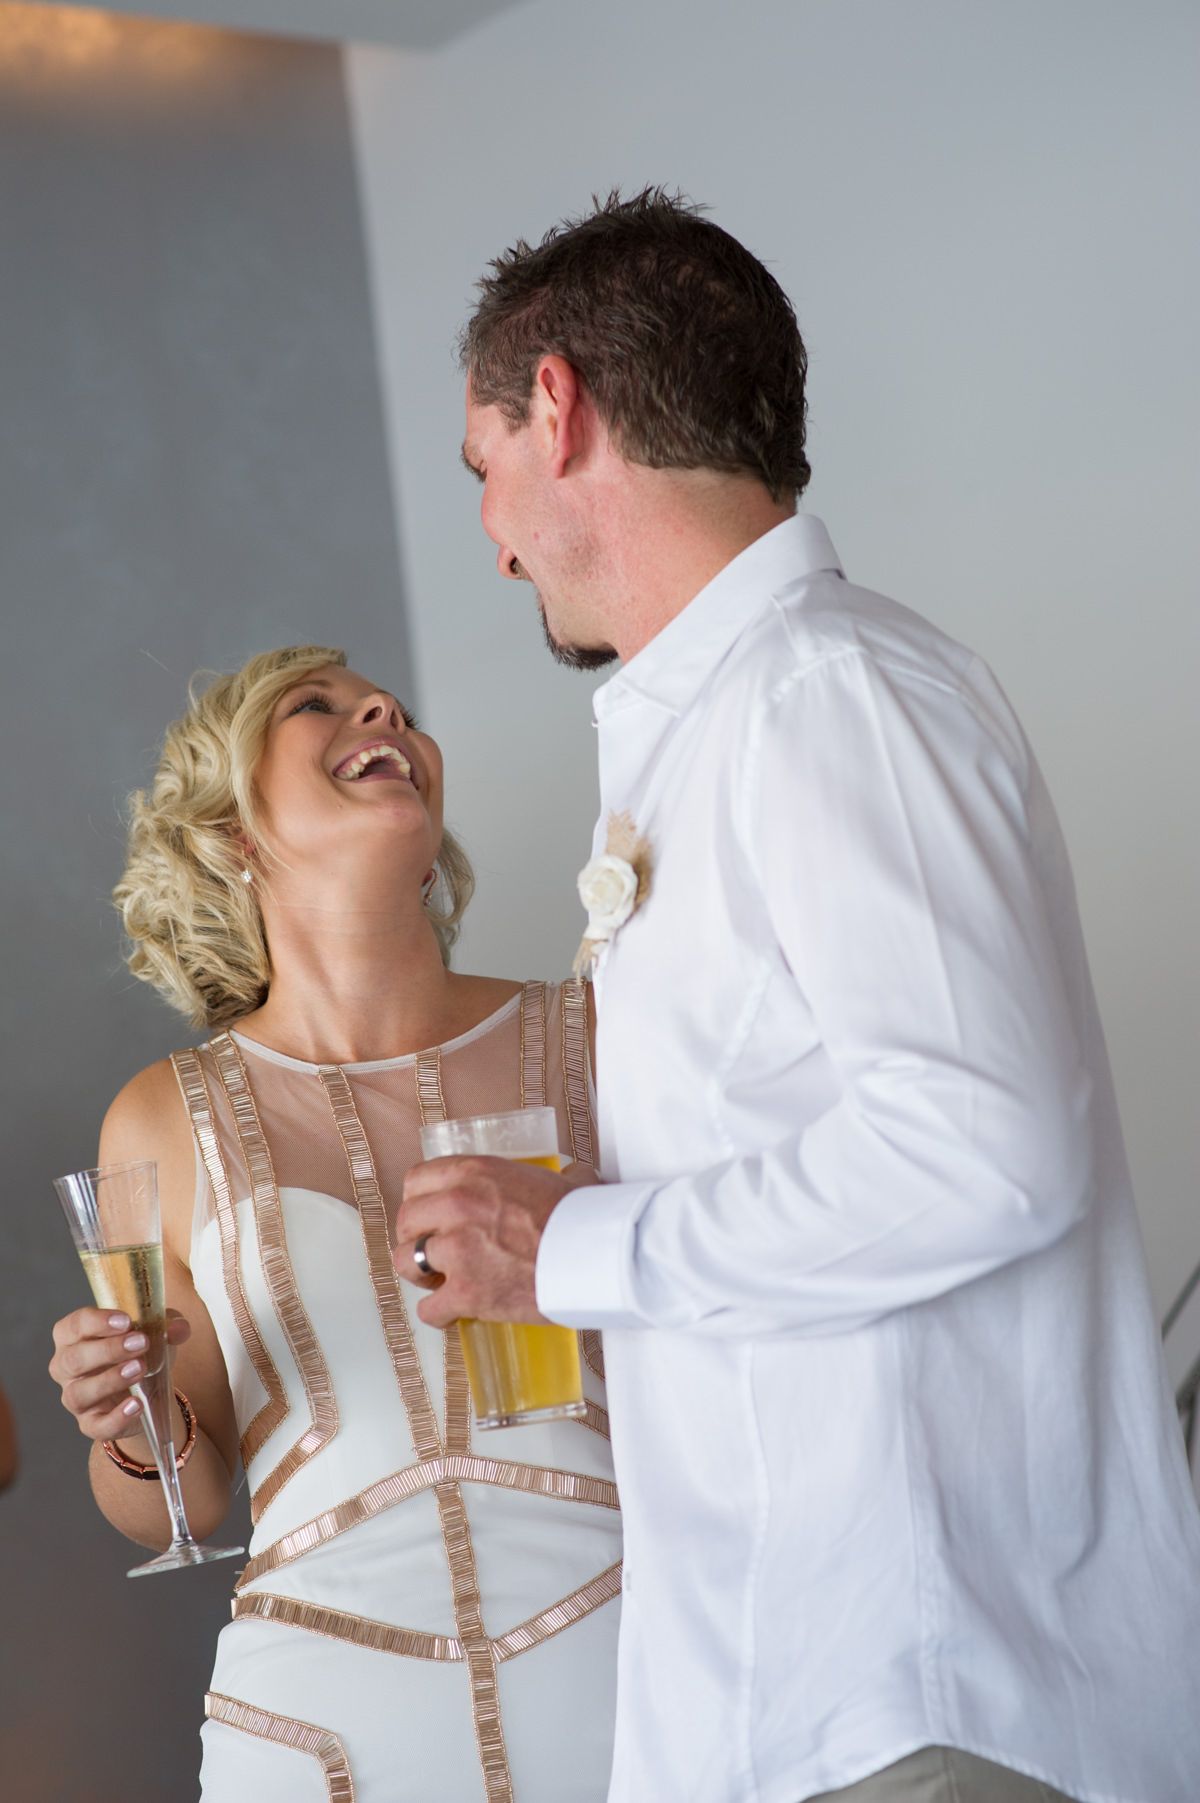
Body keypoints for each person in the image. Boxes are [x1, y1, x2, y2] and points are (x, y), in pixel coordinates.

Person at [397, 191, 1200, 1803]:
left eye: (480, 460)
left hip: (918, 1692)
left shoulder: (829, 695)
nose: (489, 532)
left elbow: (986, 1147)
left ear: (557, 409)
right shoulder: (747, 718)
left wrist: (568, 1247)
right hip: (791, 1704)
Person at [48, 645, 620, 1803]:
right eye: (317, 704)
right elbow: (180, 1500)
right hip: (318, 1736)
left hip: (631, 1674)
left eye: (397, 708)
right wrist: (128, 1418)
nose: (380, 710)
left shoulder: (604, 1034)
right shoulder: (158, 1116)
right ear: (232, 830)